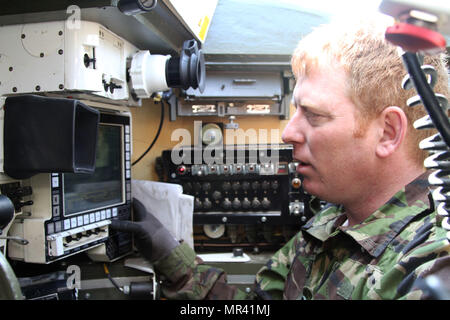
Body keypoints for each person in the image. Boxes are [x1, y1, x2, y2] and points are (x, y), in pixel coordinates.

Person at [112, 14, 450, 300]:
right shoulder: (328, 223)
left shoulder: (430, 267)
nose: (288, 134)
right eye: (293, 112)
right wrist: (173, 261)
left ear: (388, 132)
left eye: (314, 115)